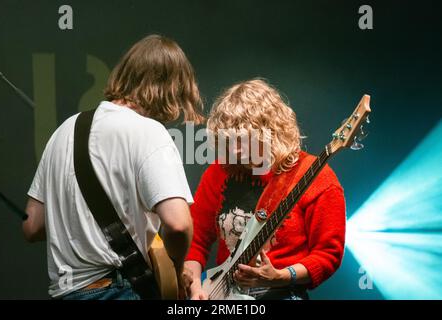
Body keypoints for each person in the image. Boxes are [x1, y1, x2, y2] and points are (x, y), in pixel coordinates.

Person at [23, 34, 204, 300]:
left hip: (65, 292)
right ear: (171, 88)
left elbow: (33, 226)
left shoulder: (63, 131)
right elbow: (178, 224)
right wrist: (175, 273)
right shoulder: (149, 132)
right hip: (116, 290)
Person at [184, 79, 346, 300]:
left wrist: (280, 276)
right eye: (228, 141)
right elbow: (196, 240)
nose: (235, 150)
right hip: (223, 293)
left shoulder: (315, 176)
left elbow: (328, 255)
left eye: (243, 140)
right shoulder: (219, 172)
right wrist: (194, 285)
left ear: (271, 132)